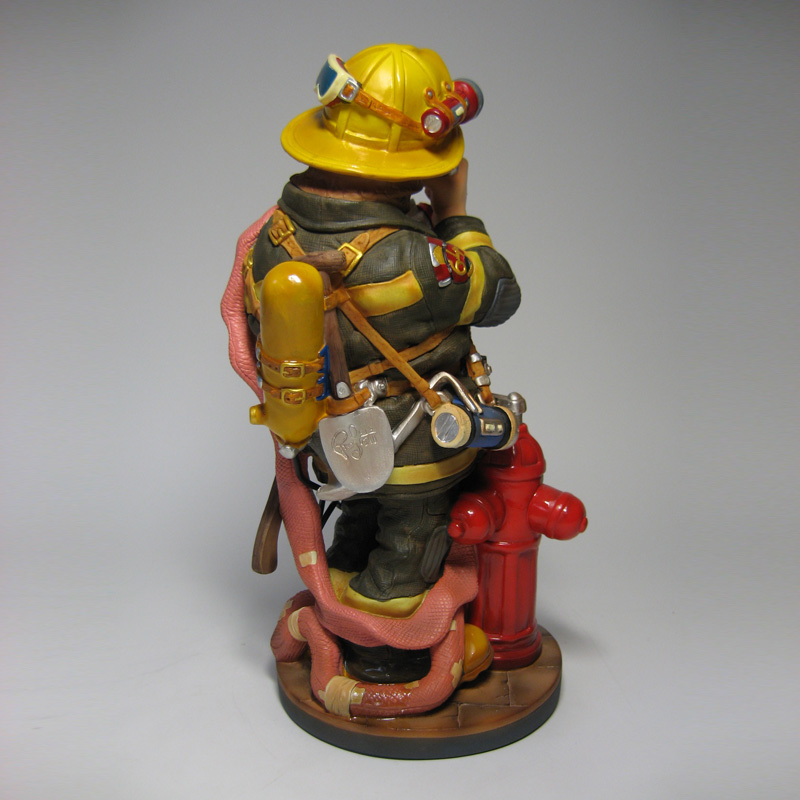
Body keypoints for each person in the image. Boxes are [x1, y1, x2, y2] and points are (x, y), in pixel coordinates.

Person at [243, 44, 521, 678]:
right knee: (408, 543)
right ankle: (384, 650)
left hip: (323, 438)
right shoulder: (417, 259)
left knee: (358, 518)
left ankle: (340, 578)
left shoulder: (272, 234)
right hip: (408, 446)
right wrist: (455, 215)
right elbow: (500, 291)